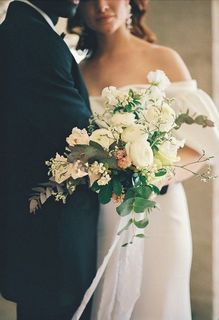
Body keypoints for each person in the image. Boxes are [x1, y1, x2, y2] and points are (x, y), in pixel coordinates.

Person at [67, 0, 219, 319]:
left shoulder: (163, 59)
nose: (101, 6)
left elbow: (198, 150)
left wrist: (149, 173)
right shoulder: (77, 71)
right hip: (100, 214)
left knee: (160, 302)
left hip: (159, 212)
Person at [0, 1, 99, 320]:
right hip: (52, 240)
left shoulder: (28, 30)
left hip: (43, 233)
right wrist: (146, 164)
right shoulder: (32, 38)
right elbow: (80, 135)